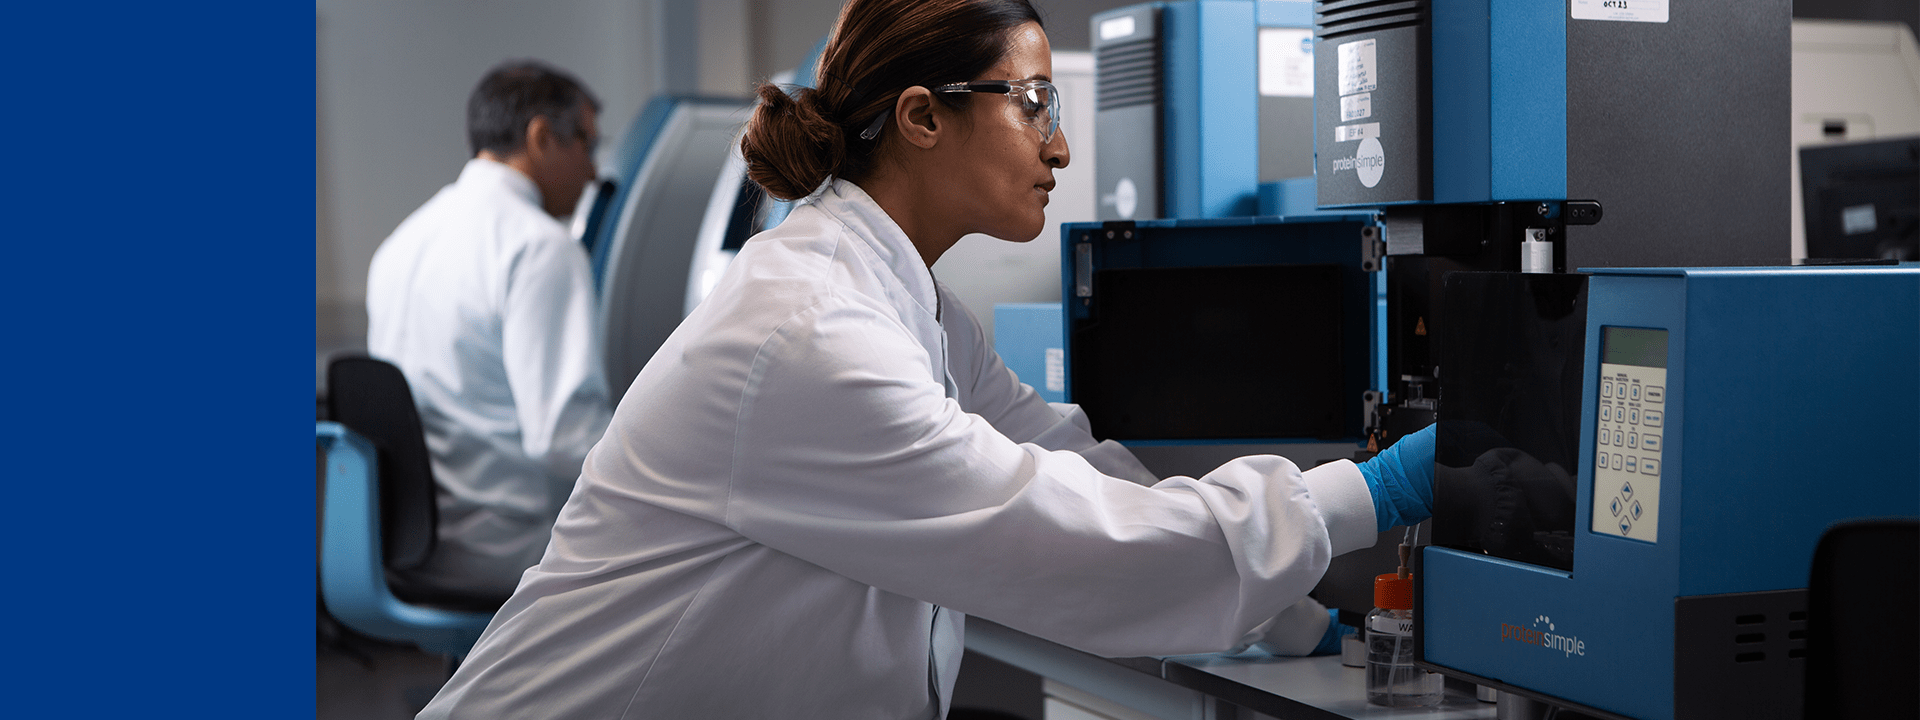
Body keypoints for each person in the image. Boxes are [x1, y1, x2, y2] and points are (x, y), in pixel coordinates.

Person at [416, 2, 1436, 717]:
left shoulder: (906, 302)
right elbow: (1066, 536)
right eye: (1034, 101)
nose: (1062, 148)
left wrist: (1306, 613)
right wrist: (1377, 492)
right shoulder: (813, 337)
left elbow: (1073, 464)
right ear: (920, 116)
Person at [365, 60, 613, 600]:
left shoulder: (404, 239)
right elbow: (565, 438)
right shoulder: (540, 247)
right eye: (587, 147)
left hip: (403, 546)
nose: (593, 174)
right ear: (542, 137)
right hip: (504, 551)